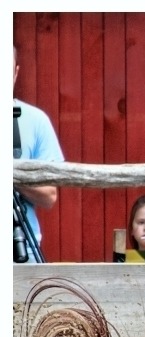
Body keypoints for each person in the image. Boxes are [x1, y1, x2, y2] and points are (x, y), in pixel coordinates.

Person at [12, 44, 65, 262]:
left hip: (21, 246)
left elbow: (49, 195)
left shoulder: (36, 120)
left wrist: (12, 175)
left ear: (15, 73)